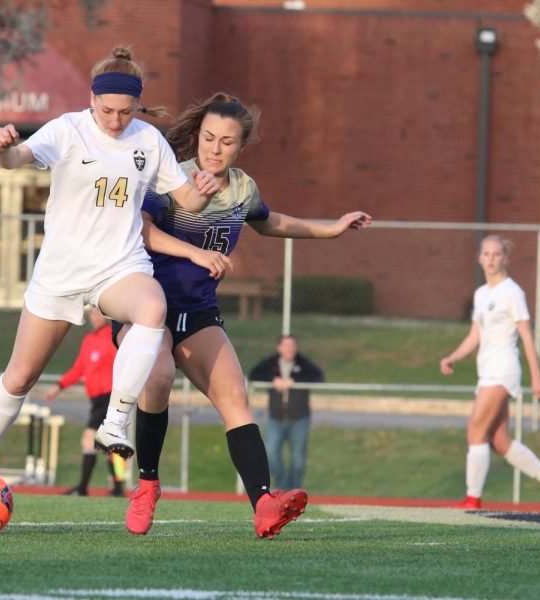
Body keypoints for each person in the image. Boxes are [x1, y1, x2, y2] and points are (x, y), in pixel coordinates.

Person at [113, 92, 372, 538]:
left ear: (240, 146)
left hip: (197, 311)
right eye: (209, 138)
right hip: (145, 305)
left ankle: (264, 504)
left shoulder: (242, 188)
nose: (215, 148)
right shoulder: (172, 178)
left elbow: (269, 221)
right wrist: (195, 253)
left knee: (236, 398)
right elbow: (144, 229)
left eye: (227, 142)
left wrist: (330, 230)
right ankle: (148, 485)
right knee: (156, 379)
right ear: (197, 136)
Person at [0, 46, 219, 475]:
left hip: (119, 267)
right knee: (21, 376)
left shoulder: (148, 140)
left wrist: (203, 191)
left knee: (152, 308)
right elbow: (16, 159)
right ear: (92, 100)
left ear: (138, 104)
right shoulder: (68, 130)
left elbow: (187, 199)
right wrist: (2, 149)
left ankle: (115, 421)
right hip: (61, 272)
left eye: (125, 111)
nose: (116, 120)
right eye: (107, 110)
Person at [440, 235, 540, 512]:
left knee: (476, 428)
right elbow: (475, 335)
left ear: (505, 259)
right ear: (479, 258)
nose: (491, 259)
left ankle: (472, 500)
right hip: (486, 371)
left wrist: (537, 376)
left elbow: (526, 335)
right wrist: (452, 357)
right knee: (499, 441)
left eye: (496, 254)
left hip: (503, 369)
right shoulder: (481, 294)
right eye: (486, 254)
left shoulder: (512, 292)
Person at [45, 307, 125, 497]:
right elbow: (79, 368)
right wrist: (59, 386)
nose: (95, 317)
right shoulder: (89, 341)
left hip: (110, 396)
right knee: (110, 443)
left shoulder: (113, 337)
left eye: (98, 314)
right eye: (92, 314)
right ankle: (115, 488)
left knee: (91, 439)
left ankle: (85, 488)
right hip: (96, 400)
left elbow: (122, 362)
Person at [248, 334, 324, 491]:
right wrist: (273, 379)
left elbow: (318, 376)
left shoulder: (303, 364)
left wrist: (295, 382)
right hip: (276, 418)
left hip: (299, 418)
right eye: (286, 346)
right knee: (271, 453)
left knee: (298, 458)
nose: (290, 349)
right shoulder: (271, 364)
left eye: (292, 346)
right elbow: (254, 374)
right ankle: (282, 486)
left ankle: (295, 489)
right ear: (279, 347)